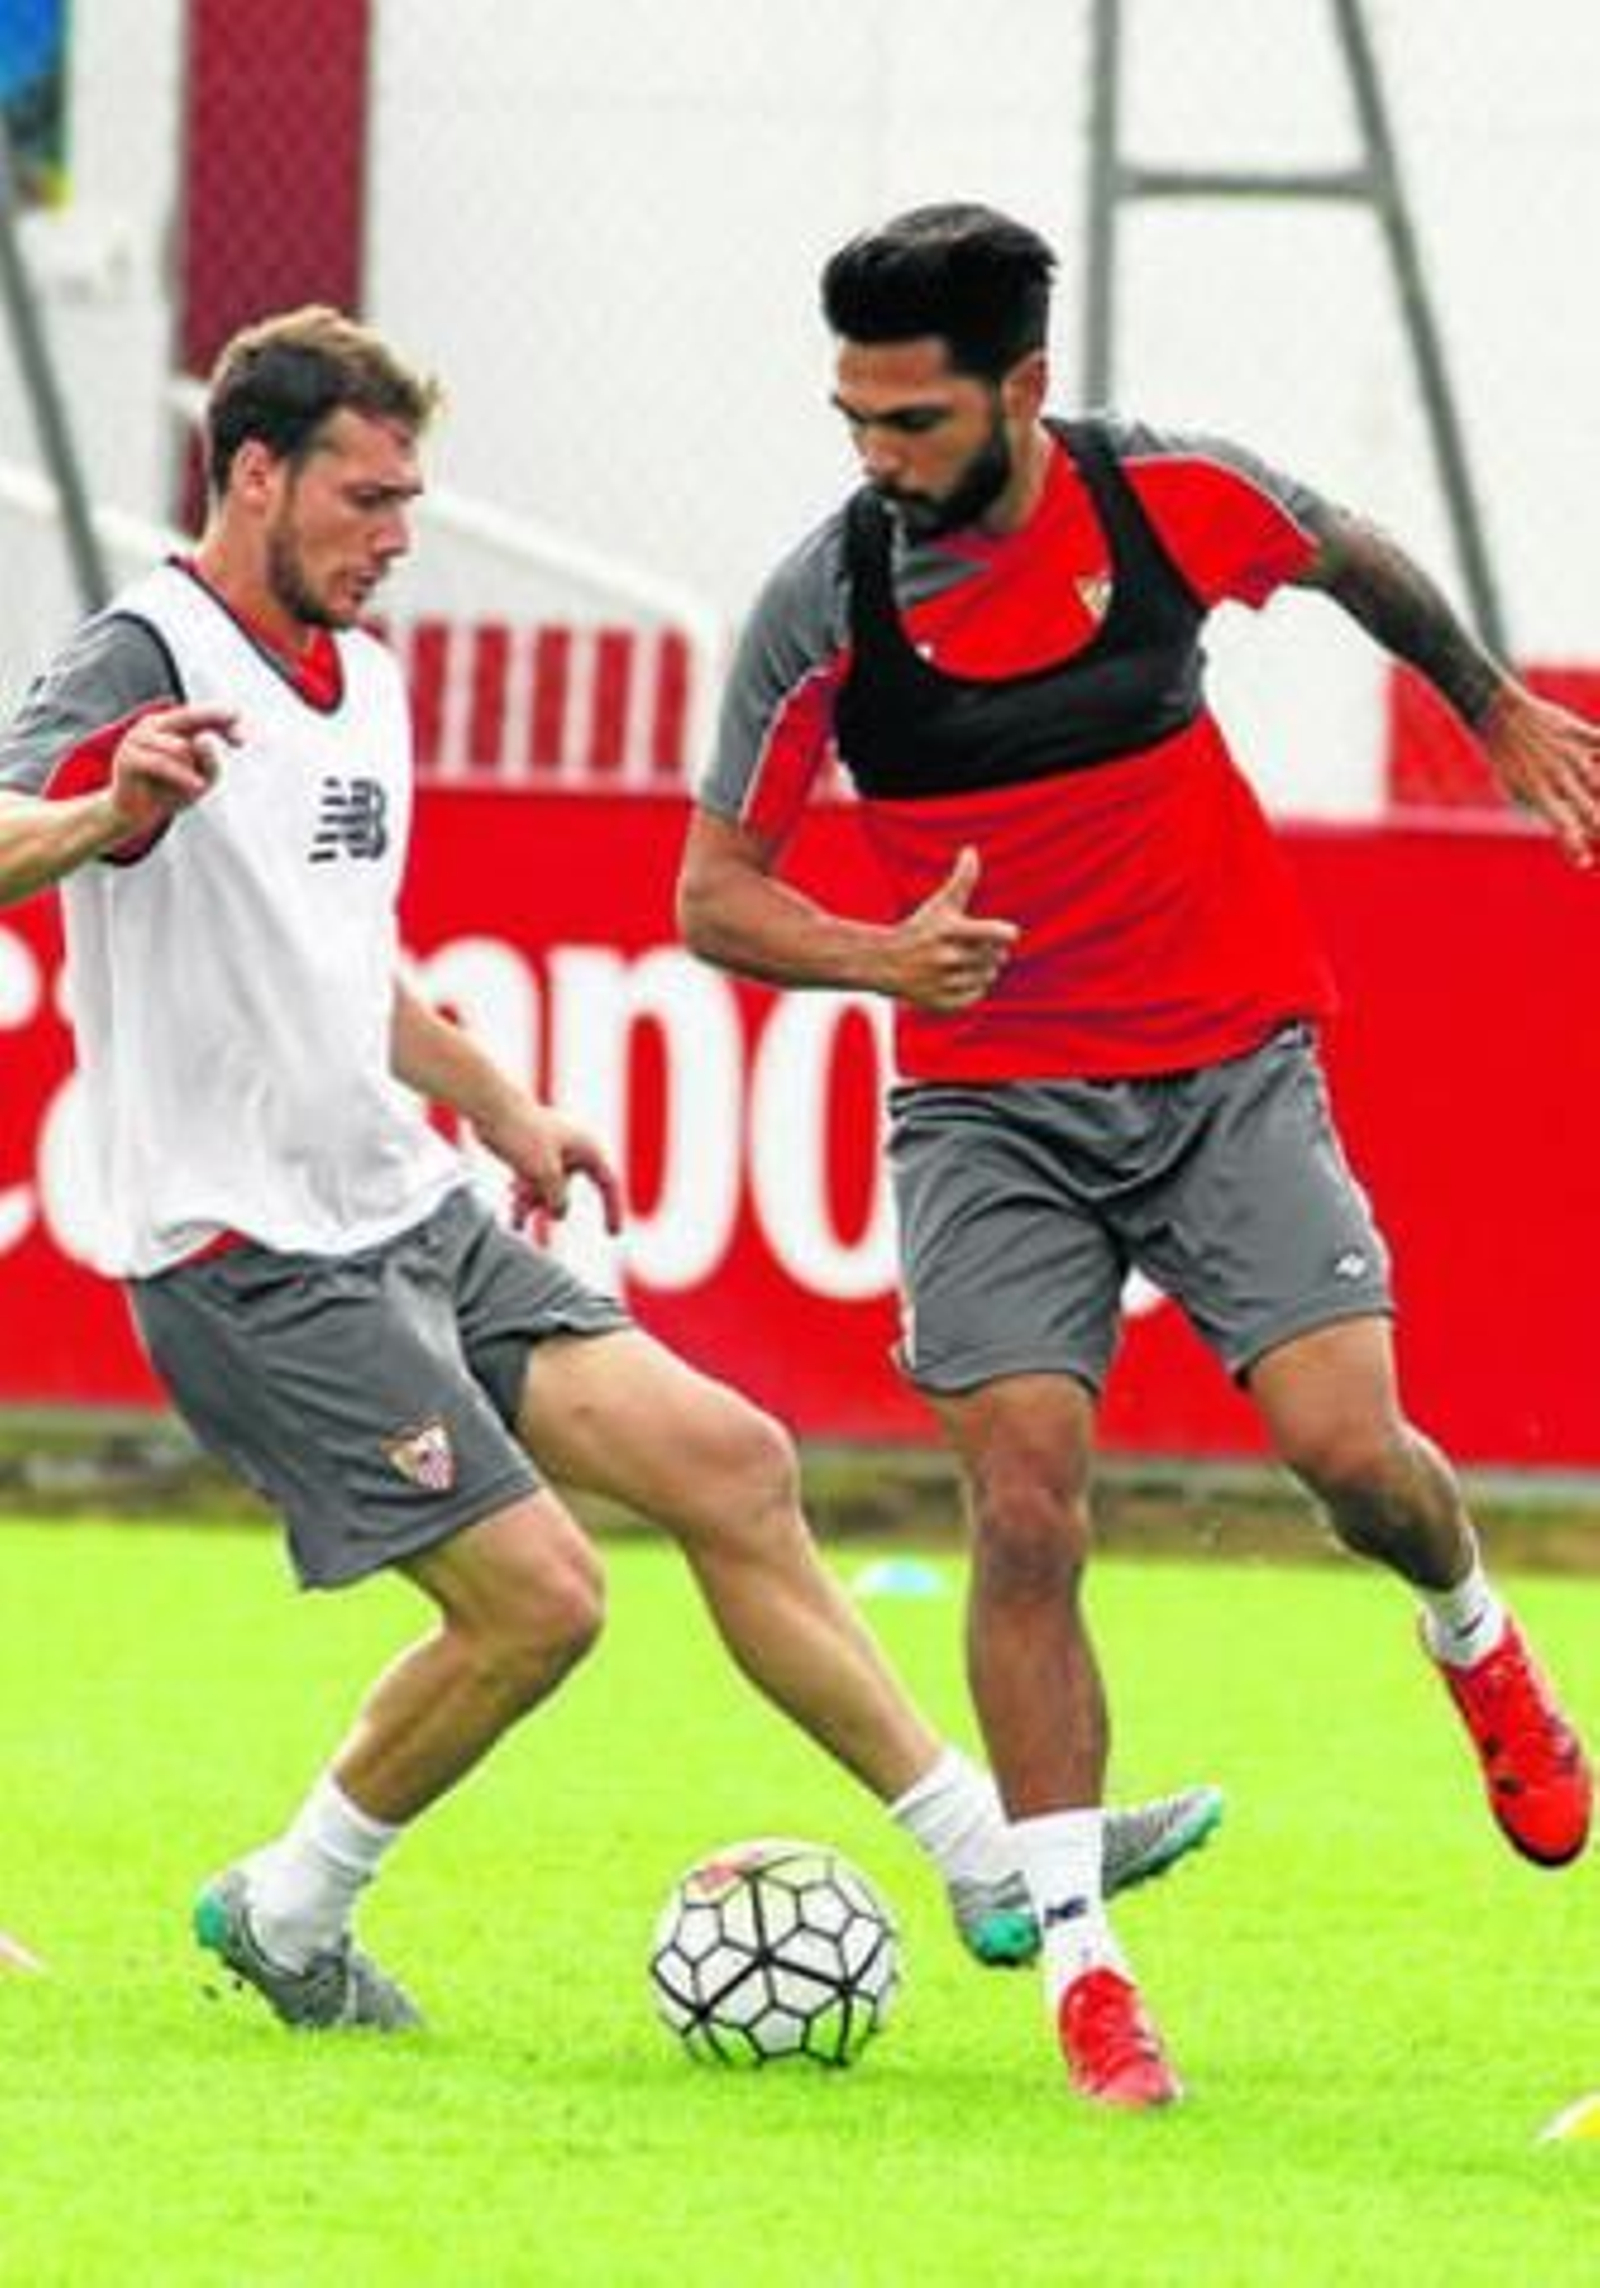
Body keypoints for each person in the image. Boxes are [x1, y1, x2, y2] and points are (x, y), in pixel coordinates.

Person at [0, 304, 1219, 2034]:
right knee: (542, 1604)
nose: (397, 537)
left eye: (412, 501)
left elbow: (346, 961)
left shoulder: (373, 680)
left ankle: (981, 1862)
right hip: (245, 1256)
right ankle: (293, 1906)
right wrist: (101, 815)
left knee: (732, 1461)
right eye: (365, 498)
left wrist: (502, 1102)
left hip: (406, 1202)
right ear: (254, 474)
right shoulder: (142, 657)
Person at [676, 203, 1598, 2110]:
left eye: (913, 421)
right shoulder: (824, 600)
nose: (876, 458)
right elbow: (713, 899)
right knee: (1024, 1509)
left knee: (1356, 1462)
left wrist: (1494, 705)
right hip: (986, 1098)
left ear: (1021, 387)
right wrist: (878, 960)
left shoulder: (1166, 496)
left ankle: (1475, 1635)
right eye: (851, 417)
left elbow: (1348, 555)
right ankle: (1089, 1972)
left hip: (1226, 1063)